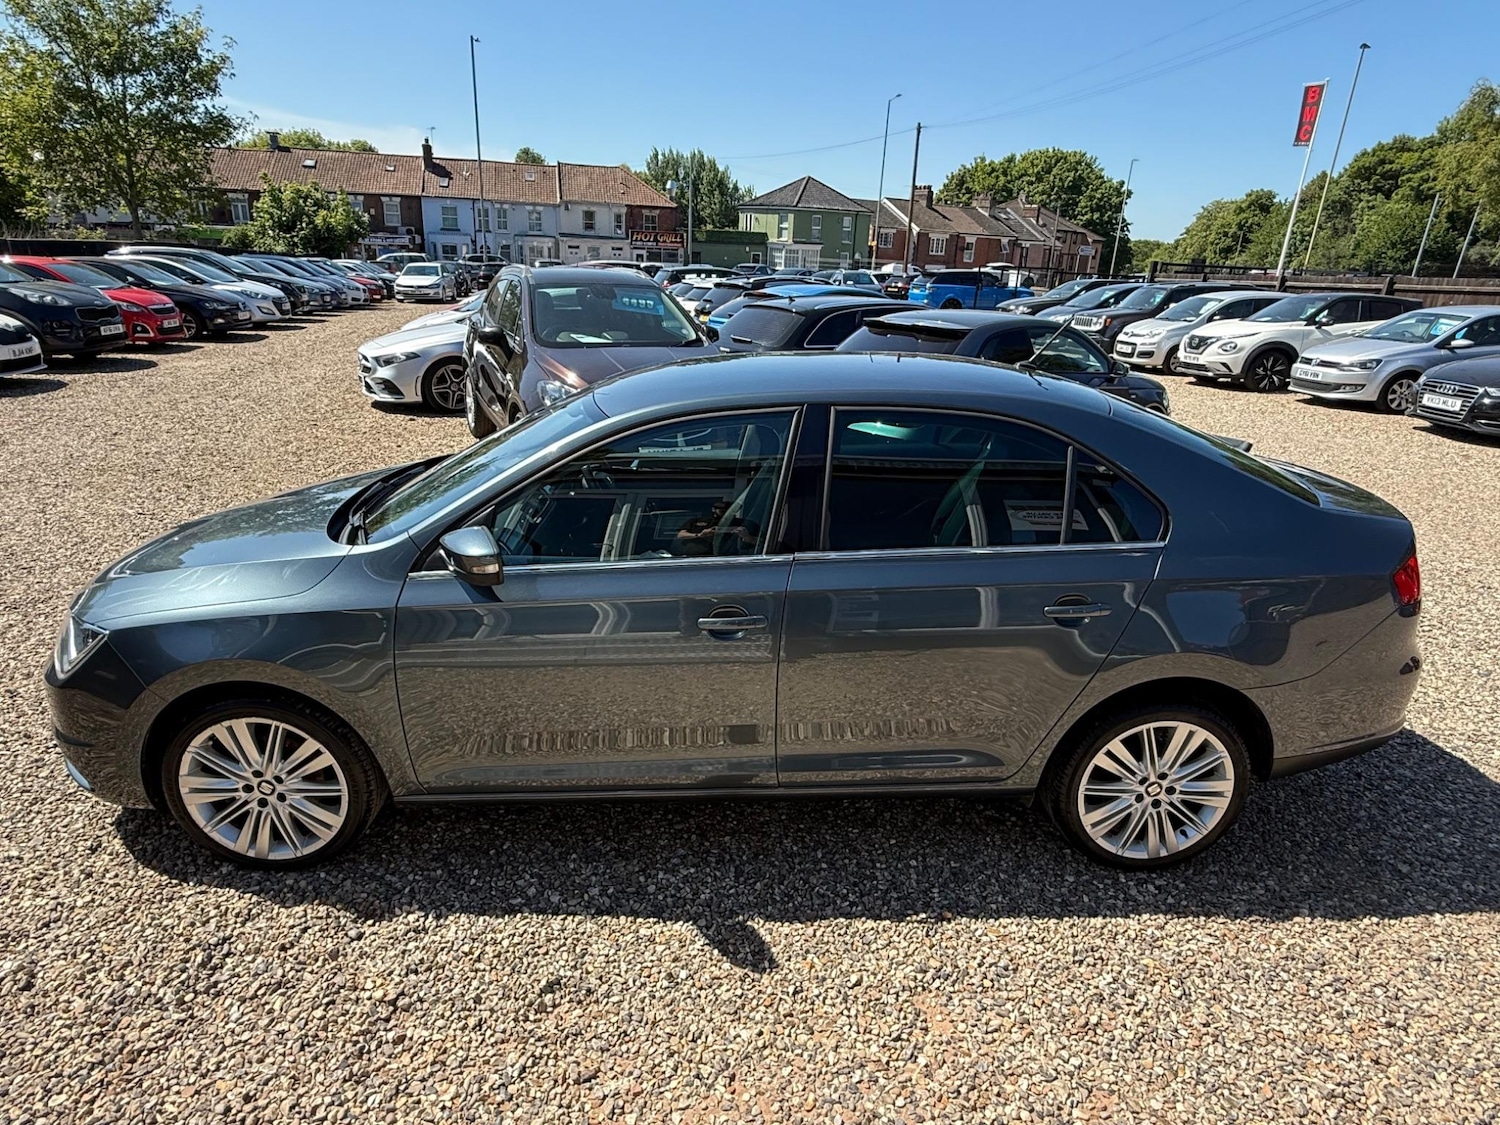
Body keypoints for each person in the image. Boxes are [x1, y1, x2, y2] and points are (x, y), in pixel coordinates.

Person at [675, 498, 757, 557]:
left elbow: (761, 543)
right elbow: (681, 535)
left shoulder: (745, 523)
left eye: (728, 510)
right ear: (713, 509)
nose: (725, 512)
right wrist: (700, 535)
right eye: (721, 510)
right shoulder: (697, 521)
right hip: (696, 557)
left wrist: (747, 537)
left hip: (730, 559)